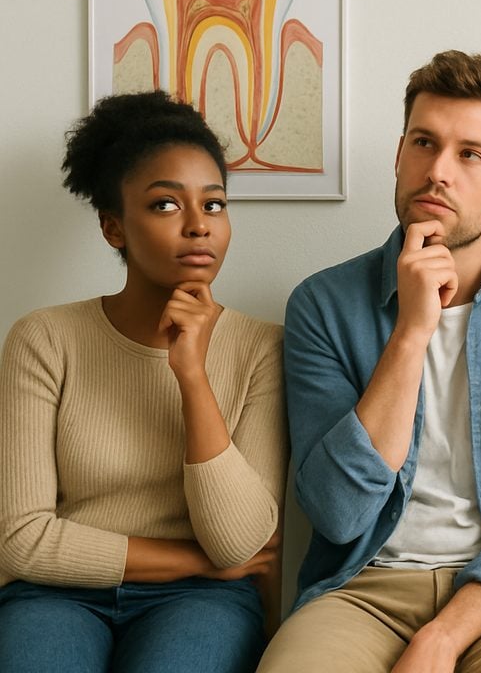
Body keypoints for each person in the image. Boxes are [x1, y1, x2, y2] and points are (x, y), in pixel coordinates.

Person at [258, 50, 481, 673]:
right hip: (361, 587)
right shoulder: (322, 305)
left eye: (471, 154)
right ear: (399, 155)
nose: (437, 171)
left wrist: (444, 637)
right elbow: (338, 512)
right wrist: (412, 332)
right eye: (424, 143)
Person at [0, 91, 287, 672]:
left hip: (202, 603)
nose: (197, 227)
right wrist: (198, 561)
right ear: (114, 227)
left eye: (214, 205)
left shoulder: (262, 347)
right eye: (164, 205)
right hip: (54, 593)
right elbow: (21, 538)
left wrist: (192, 374)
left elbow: (239, 542)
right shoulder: (44, 339)